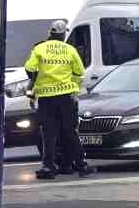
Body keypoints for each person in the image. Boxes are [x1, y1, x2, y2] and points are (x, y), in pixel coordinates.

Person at [23, 19, 92, 179]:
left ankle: (48, 167)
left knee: (49, 134)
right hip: (66, 98)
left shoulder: (39, 48)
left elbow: (30, 68)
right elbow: (80, 72)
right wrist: (73, 88)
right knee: (70, 132)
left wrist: (35, 82)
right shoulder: (70, 50)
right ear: (63, 34)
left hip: (46, 99)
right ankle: (82, 165)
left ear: (50, 33)